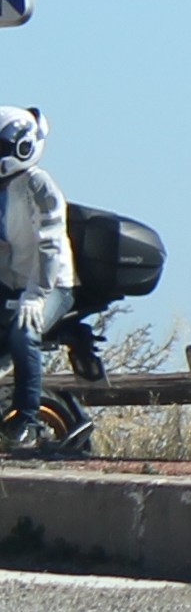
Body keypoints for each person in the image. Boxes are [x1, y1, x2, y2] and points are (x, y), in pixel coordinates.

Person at [0, 106, 77, 452]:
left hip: (51, 285)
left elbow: (51, 247)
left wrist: (35, 295)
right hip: (12, 279)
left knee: (23, 331)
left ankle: (26, 420)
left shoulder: (39, 186)